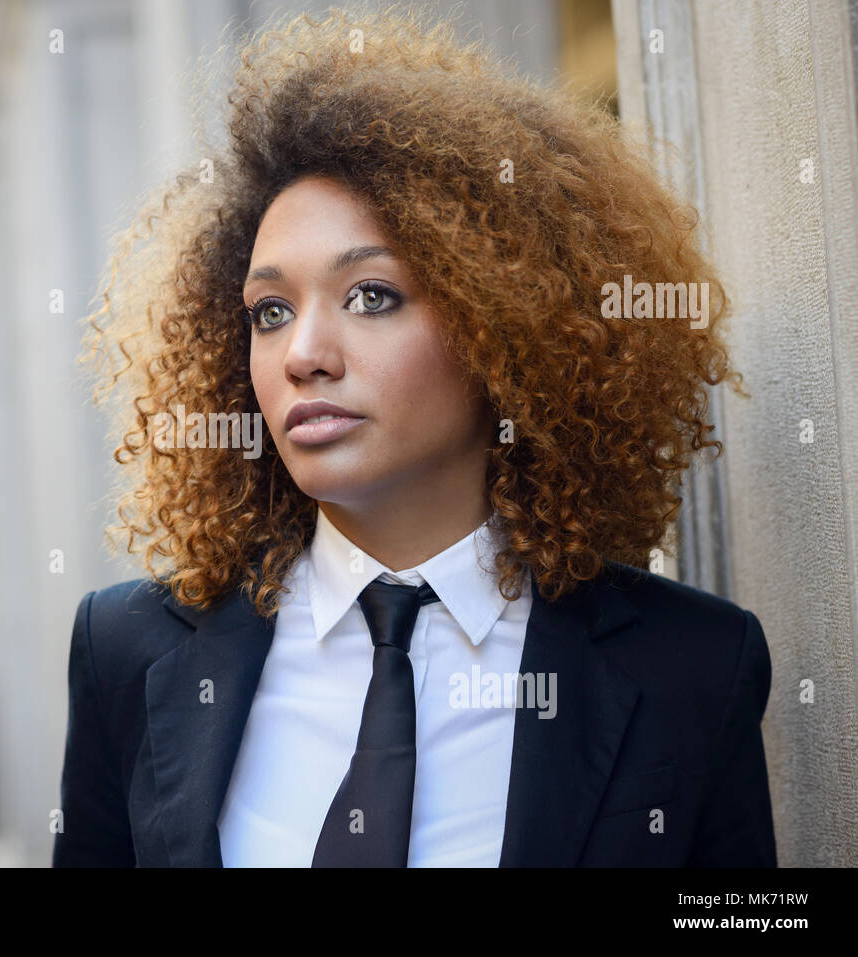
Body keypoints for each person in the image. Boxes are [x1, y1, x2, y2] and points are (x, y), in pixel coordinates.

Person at [52, 5, 776, 867]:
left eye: (370, 296)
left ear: (503, 324)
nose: (305, 355)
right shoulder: (129, 651)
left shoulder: (689, 666)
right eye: (270, 312)